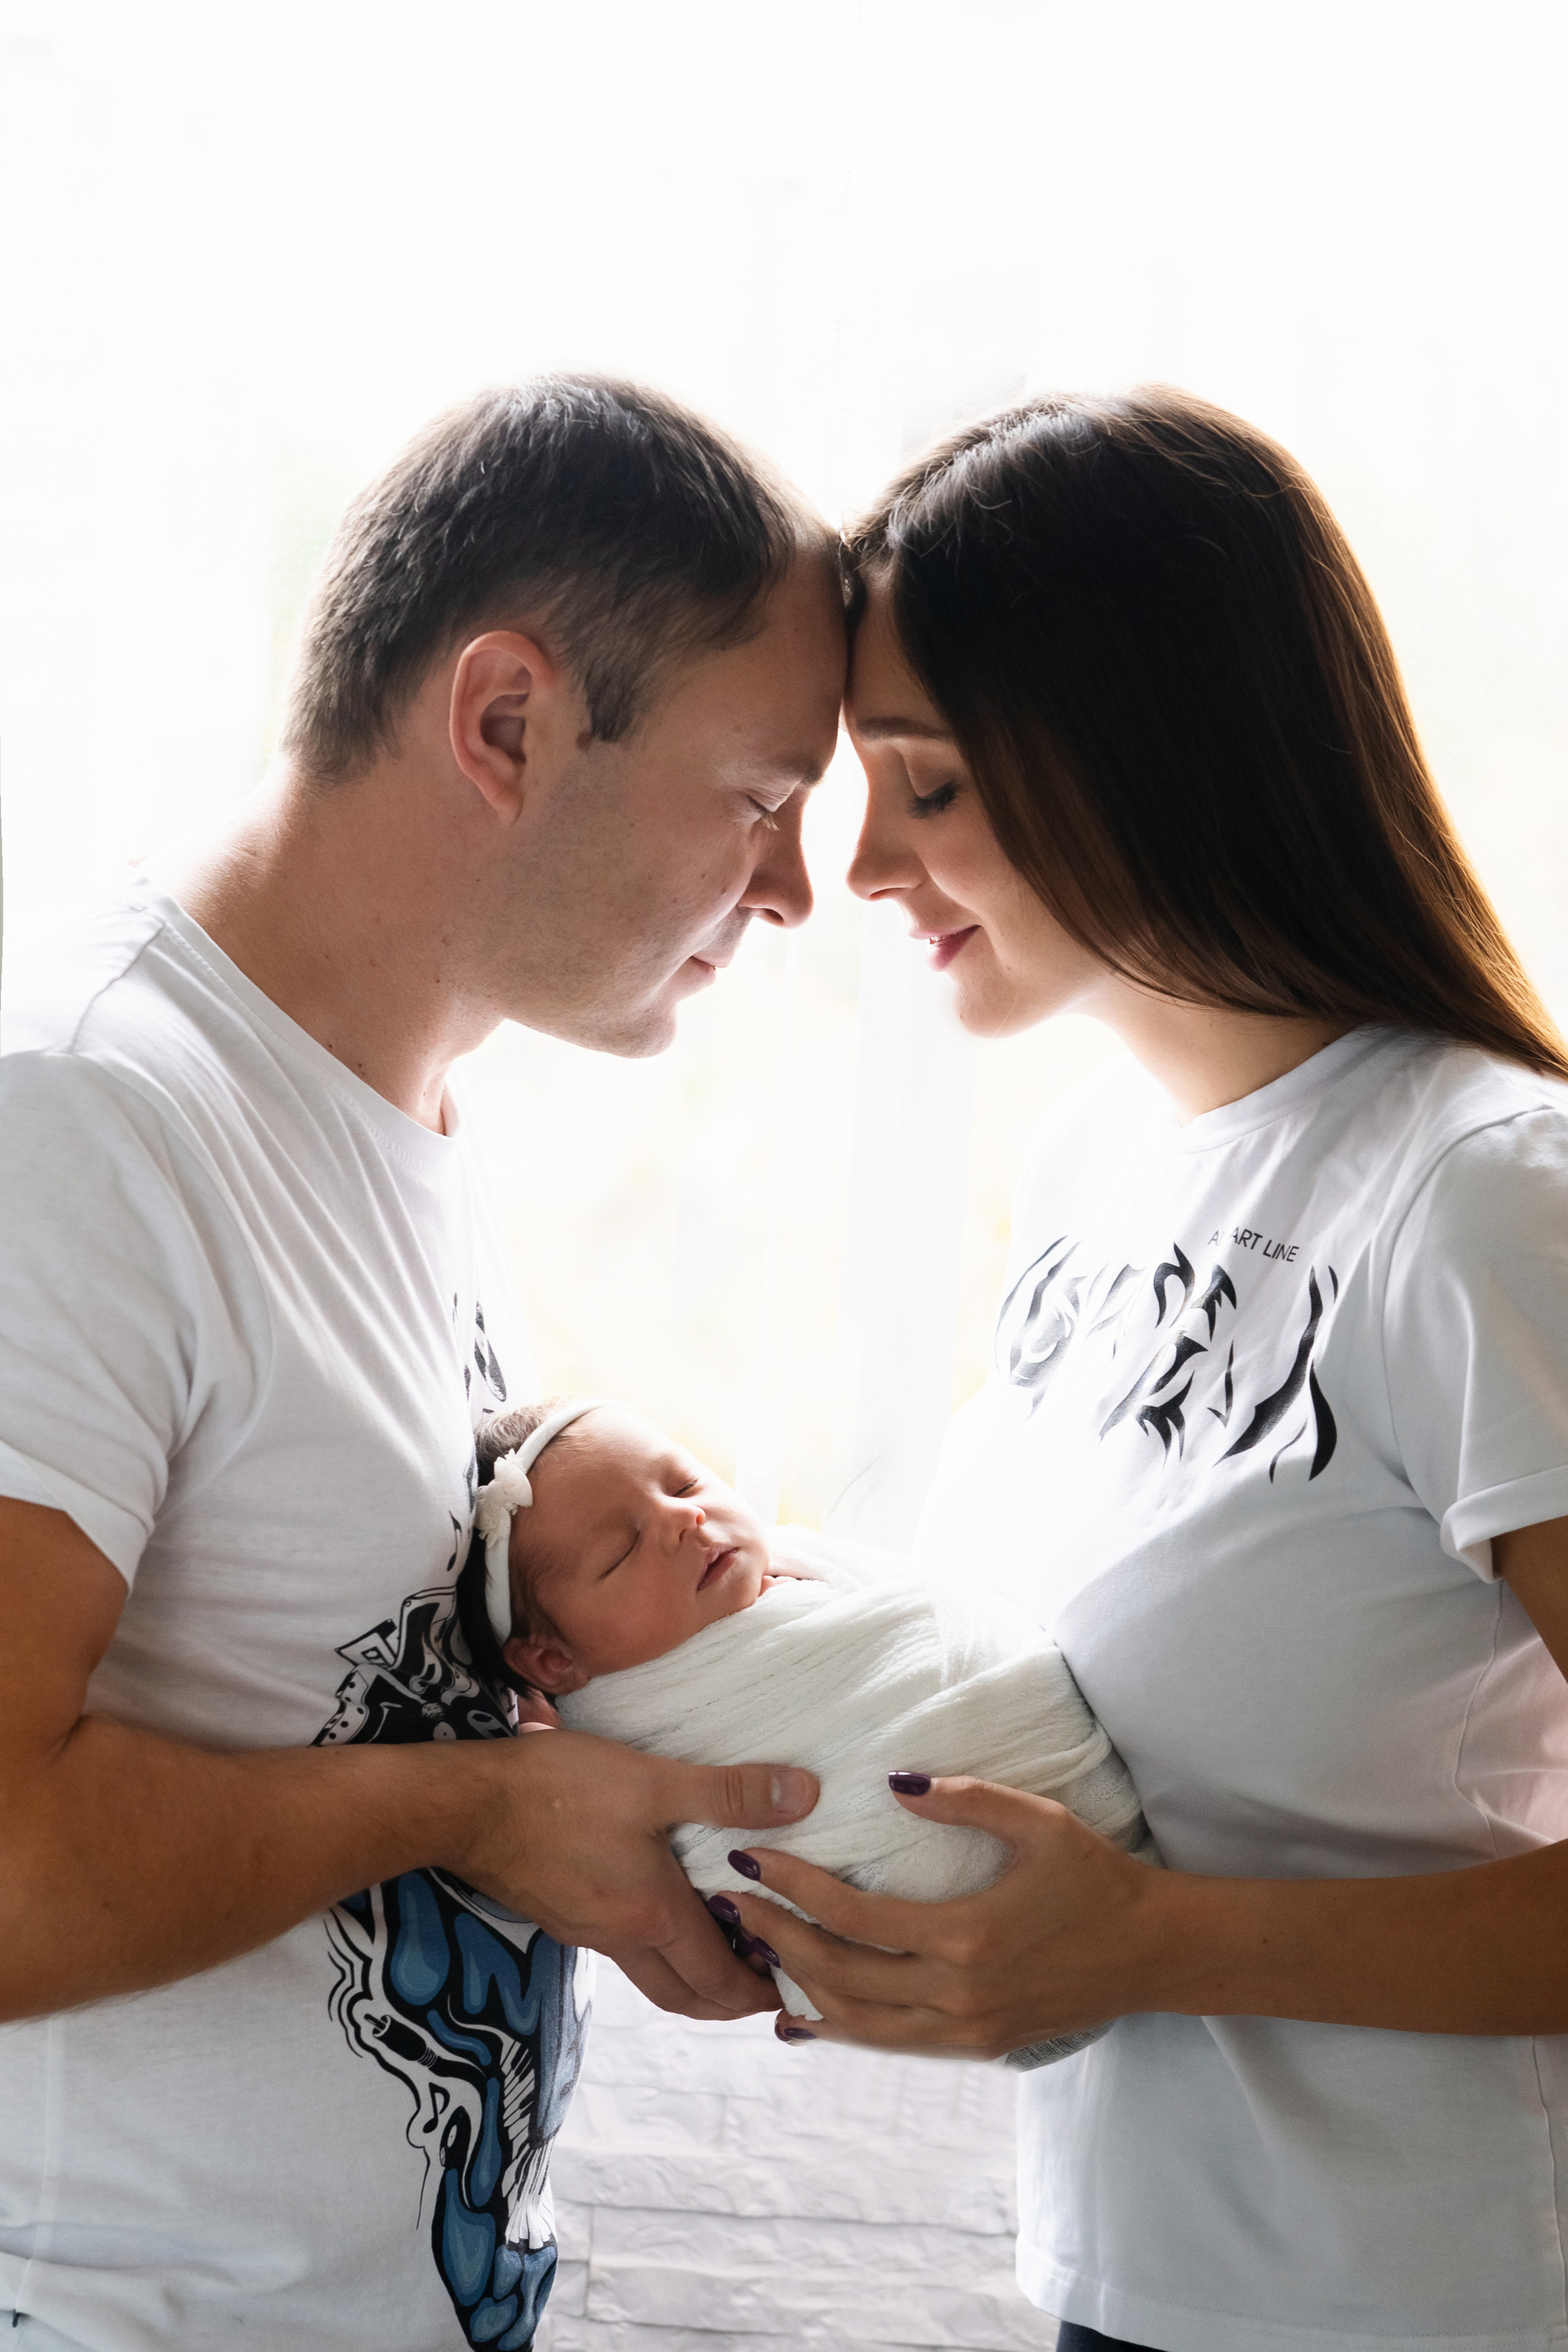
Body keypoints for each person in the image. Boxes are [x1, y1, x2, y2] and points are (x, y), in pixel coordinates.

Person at [722, 388, 1568, 2352]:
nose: (865, 865)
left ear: (1149, 753)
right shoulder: (1102, 1165)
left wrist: (1164, 1943)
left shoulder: (1484, 1198)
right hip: (1134, 2290)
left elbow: (1142, 1907)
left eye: (929, 784)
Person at [0, 376, 840, 2352]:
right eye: (761, 796)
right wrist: (473, 1809)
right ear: (508, 723)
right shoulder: (83, 1122)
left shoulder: (405, 1115)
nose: (795, 888)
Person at [464, 1395, 1150, 2040]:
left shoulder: (805, 1565)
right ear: (553, 1661)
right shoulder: (614, 1746)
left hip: (1101, 1883)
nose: (683, 1519)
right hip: (947, 1951)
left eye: (684, 1483)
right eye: (621, 1550)